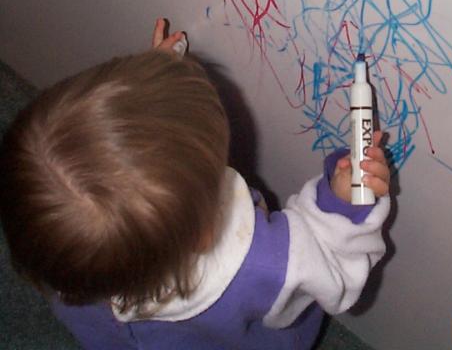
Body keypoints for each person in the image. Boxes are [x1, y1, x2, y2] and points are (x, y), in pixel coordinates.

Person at [0, 19, 391, 349]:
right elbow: (332, 269)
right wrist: (343, 203)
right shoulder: (259, 263)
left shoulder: (70, 254)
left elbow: (110, 167)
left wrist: (153, 88)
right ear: (206, 233)